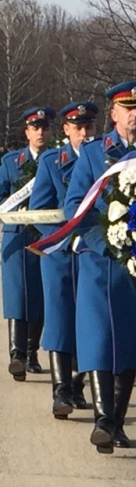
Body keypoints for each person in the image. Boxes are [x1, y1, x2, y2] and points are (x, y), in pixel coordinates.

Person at [64, 80, 136, 453]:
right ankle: (103, 420)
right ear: (113, 113)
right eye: (128, 108)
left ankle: (117, 422)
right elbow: (74, 206)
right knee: (100, 338)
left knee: (133, 341)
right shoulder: (95, 154)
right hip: (101, 264)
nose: (135, 114)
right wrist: (103, 242)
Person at [30, 101, 99, 418]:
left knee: (89, 321)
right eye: (78, 128)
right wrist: (60, 238)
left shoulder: (104, 159)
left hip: (91, 252)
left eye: (89, 127)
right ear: (66, 130)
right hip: (59, 254)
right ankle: (60, 391)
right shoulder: (52, 162)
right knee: (59, 319)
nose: (84, 134)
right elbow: (40, 209)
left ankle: (77, 384)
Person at [0, 106, 55, 381]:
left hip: (47, 236)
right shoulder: (12, 162)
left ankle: (32, 352)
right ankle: (17, 354)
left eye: (44, 128)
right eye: (35, 128)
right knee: (17, 294)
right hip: (17, 234)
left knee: (41, 294)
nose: (40, 132)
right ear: (27, 133)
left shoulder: (58, 160)